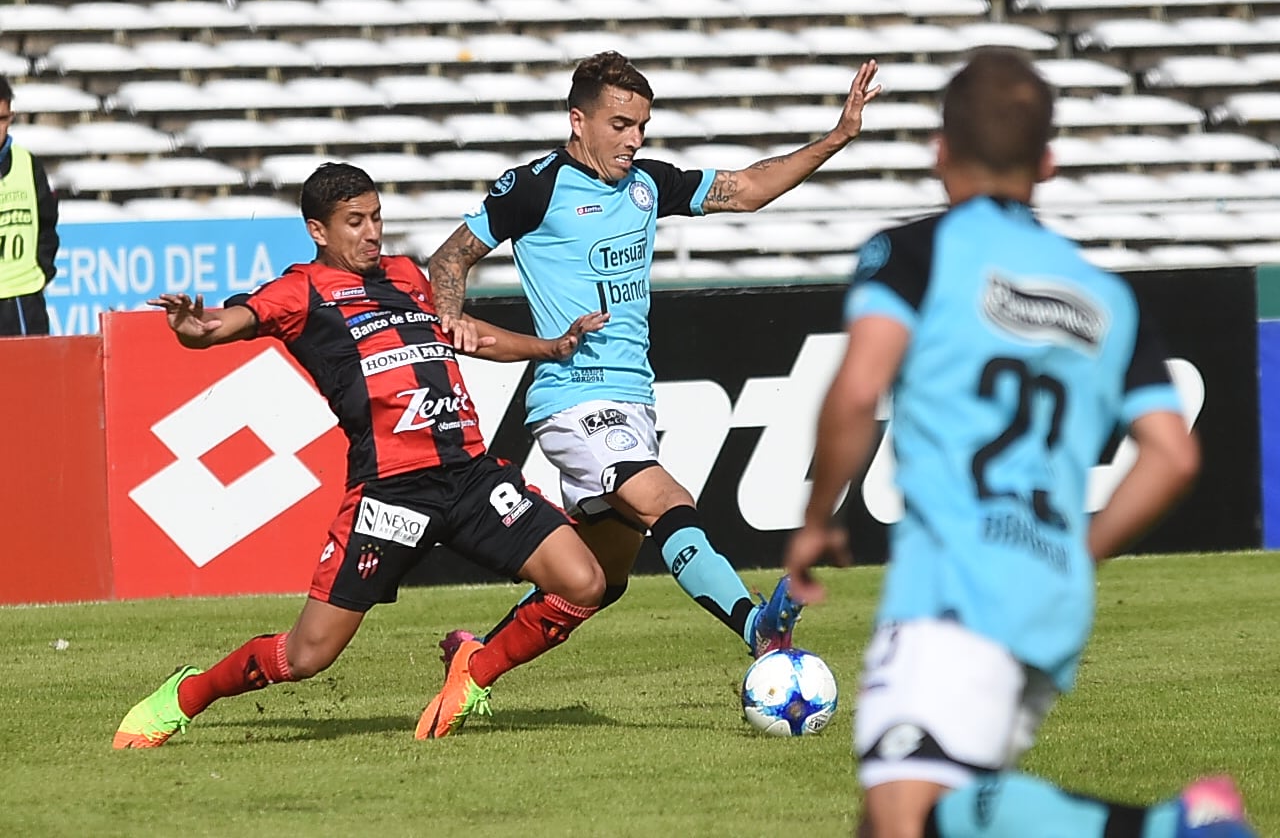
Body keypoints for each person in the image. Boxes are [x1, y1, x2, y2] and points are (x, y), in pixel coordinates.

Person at [784, 48, 1254, 838]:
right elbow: (1173, 454)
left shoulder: (915, 253)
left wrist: (815, 515)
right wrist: (1077, 551)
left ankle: (1175, 828)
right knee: (902, 815)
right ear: (1048, 162)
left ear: (939, 151)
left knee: (911, 815)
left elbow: (860, 389)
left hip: (955, 587)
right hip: (1049, 597)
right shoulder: (1106, 295)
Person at [113, 162, 611, 747]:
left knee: (583, 583)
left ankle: (473, 673)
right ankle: (185, 696)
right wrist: (191, 327)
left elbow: (464, 331)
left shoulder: (404, 274)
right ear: (318, 231)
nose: (372, 232)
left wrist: (551, 347)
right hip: (391, 493)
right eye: (355, 222)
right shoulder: (301, 289)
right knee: (306, 656)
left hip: (470, 474)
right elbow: (224, 324)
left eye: (376, 217)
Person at [424, 50, 883, 665]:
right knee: (669, 501)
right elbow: (449, 259)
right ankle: (756, 628)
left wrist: (838, 136)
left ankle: (474, 660)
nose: (634, 139)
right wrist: (448, 320)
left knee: (597, 580)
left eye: (642, 126)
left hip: (632, 398)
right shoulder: (533, 188)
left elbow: (746, 191)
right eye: (620, 125)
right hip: (573, 396)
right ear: (577, 121)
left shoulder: (646, 185)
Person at [0, 76, 59, 336]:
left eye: (1, 119)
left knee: (32, 377)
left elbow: (47, 224)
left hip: (24, 303)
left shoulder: (28, 164)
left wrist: (42, 271)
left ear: (11, 117)